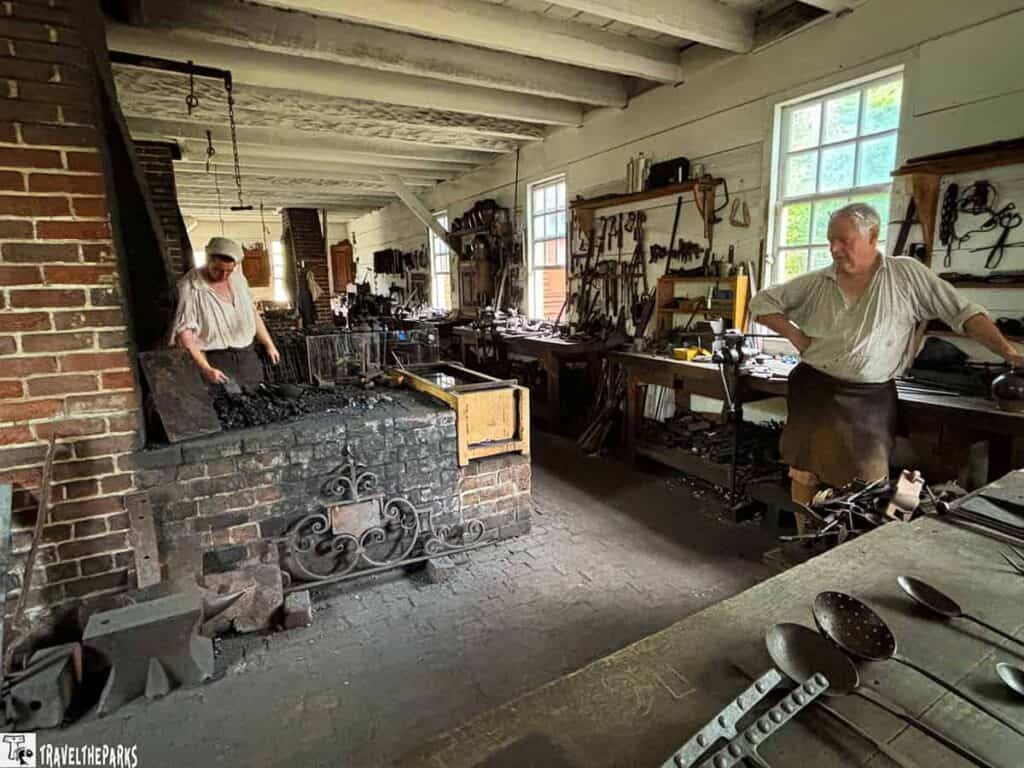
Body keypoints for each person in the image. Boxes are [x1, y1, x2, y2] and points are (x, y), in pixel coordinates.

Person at [750, 202, 1023, 527]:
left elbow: (963, 312)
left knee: (870, 482)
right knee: (805, 471)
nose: (834, 249)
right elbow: (760, 302)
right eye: (830, 240)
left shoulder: (905, 274)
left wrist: (1009, 353)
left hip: (869, 398)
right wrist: (796, 337)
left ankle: (857, 547)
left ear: (873, 235)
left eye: (843, 240)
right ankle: (805, 540)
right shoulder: (816, 282)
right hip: (814, 388)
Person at [172, 236, 280, 388]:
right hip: (216, 360)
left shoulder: (238, 279)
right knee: (227, 406)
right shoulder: (189, 287)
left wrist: (269, 344)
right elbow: (185, 335)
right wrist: (206, 369)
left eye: (229, 270)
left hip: (247, 357)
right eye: (218, 270)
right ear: (207, 259)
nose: (224, 276)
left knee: (257, 401)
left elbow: (252, 314)